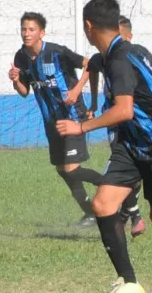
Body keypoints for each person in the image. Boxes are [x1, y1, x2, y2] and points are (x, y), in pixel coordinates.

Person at [56, 0, 152, 293]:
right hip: (132, 145)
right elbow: (93, 64)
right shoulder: (113, 53)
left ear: (88, 26)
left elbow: (125, 110)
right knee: (103, 204)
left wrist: (82, 126)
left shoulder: (121, 60)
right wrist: (81, 93)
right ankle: (129, 282)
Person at [8, 12, 103, 225]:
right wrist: (16, 80)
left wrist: (77, 90)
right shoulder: (20, 57)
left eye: (31, 29)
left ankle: (113, 185)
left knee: (72, 169)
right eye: (23, 29)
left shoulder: (56, 52)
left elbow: (91, 64)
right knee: (63, 170)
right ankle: (90, 212)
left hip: (72, 117)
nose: (26, 33)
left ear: (42, 32)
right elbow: (24, 91)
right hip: (51, 121)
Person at [87, 15, 152, 236]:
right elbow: (91, 67)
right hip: (115, 121)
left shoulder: (139, 53)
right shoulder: (103, 58)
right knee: (123, 166)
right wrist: (91, 101)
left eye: (119, 37)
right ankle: (133, 213)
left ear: (129, 37)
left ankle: (130, 213)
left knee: (135, 168)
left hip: (139, 121)